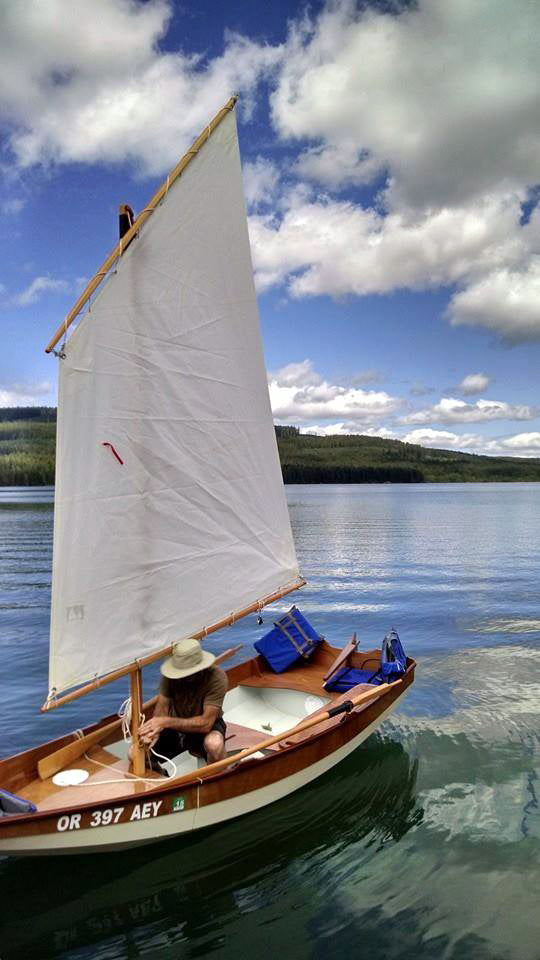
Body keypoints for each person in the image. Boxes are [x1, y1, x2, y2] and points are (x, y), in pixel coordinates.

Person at [137, 637, 228, 773]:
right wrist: (153, 732)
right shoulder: (170, 677)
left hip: (206, 726)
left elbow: (206, 723)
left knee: (214, 744)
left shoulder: (217, 678)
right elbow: (162, 708)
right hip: (174, 726)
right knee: (135, 753)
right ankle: (160, 775)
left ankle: (215, 780)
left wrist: (166, 722)